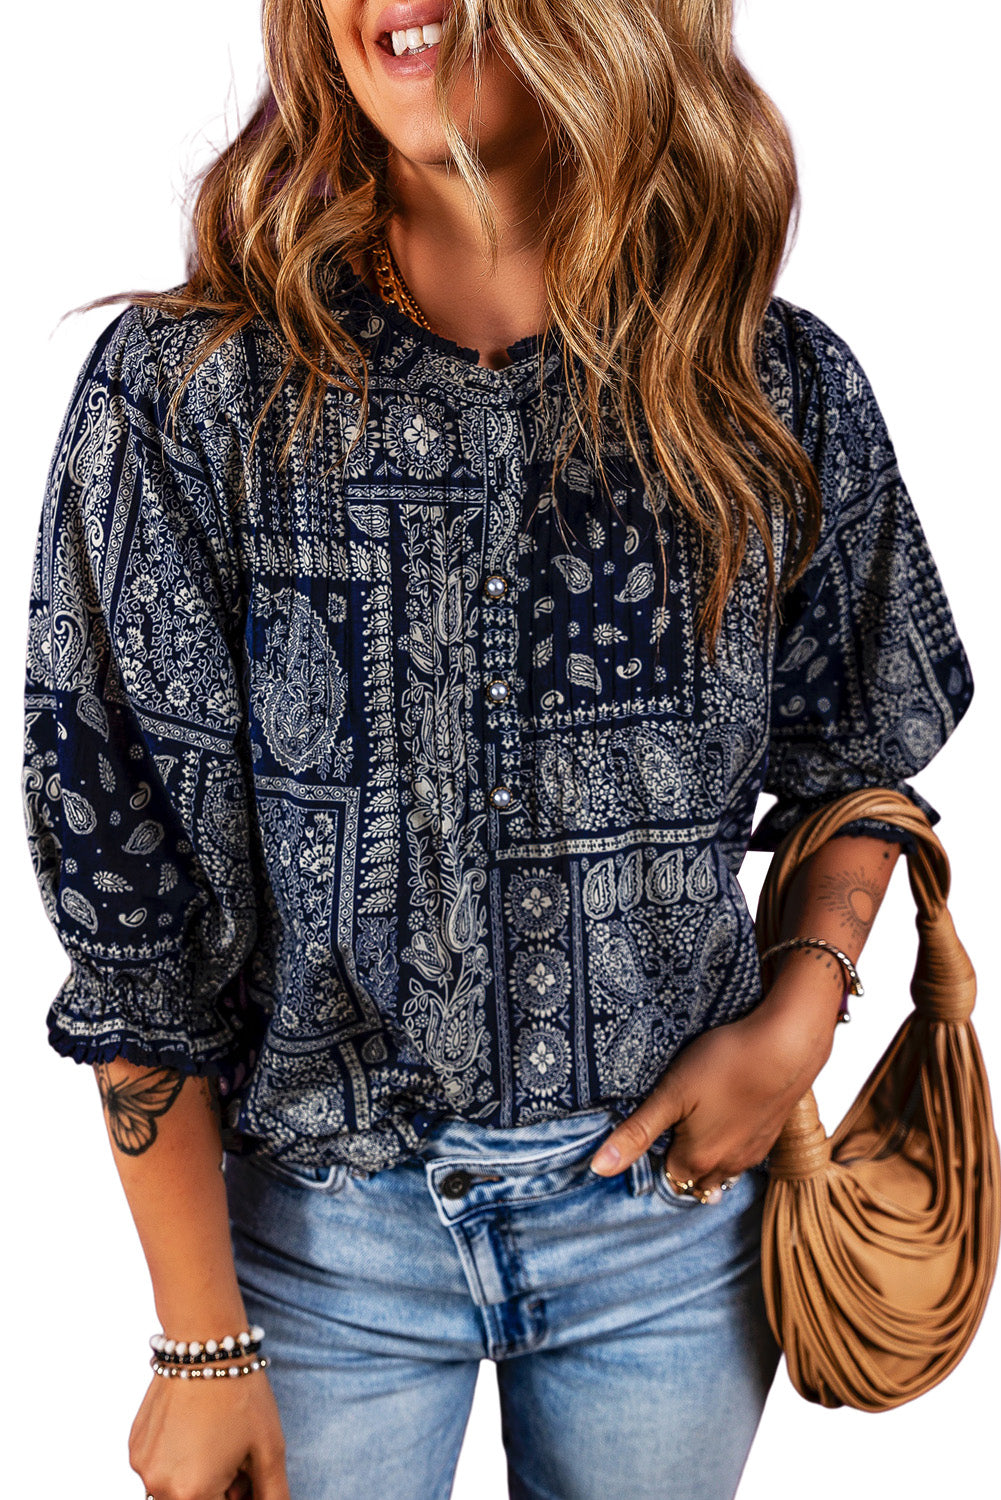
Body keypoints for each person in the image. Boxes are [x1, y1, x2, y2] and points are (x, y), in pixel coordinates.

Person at [20, 3, 976, 1499]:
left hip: (669, 1227)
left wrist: (801, 1011)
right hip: (317, 1243)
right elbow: (125, 889)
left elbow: (857, 749)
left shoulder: (761, 381)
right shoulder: (191, 395)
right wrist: (199, 1338)